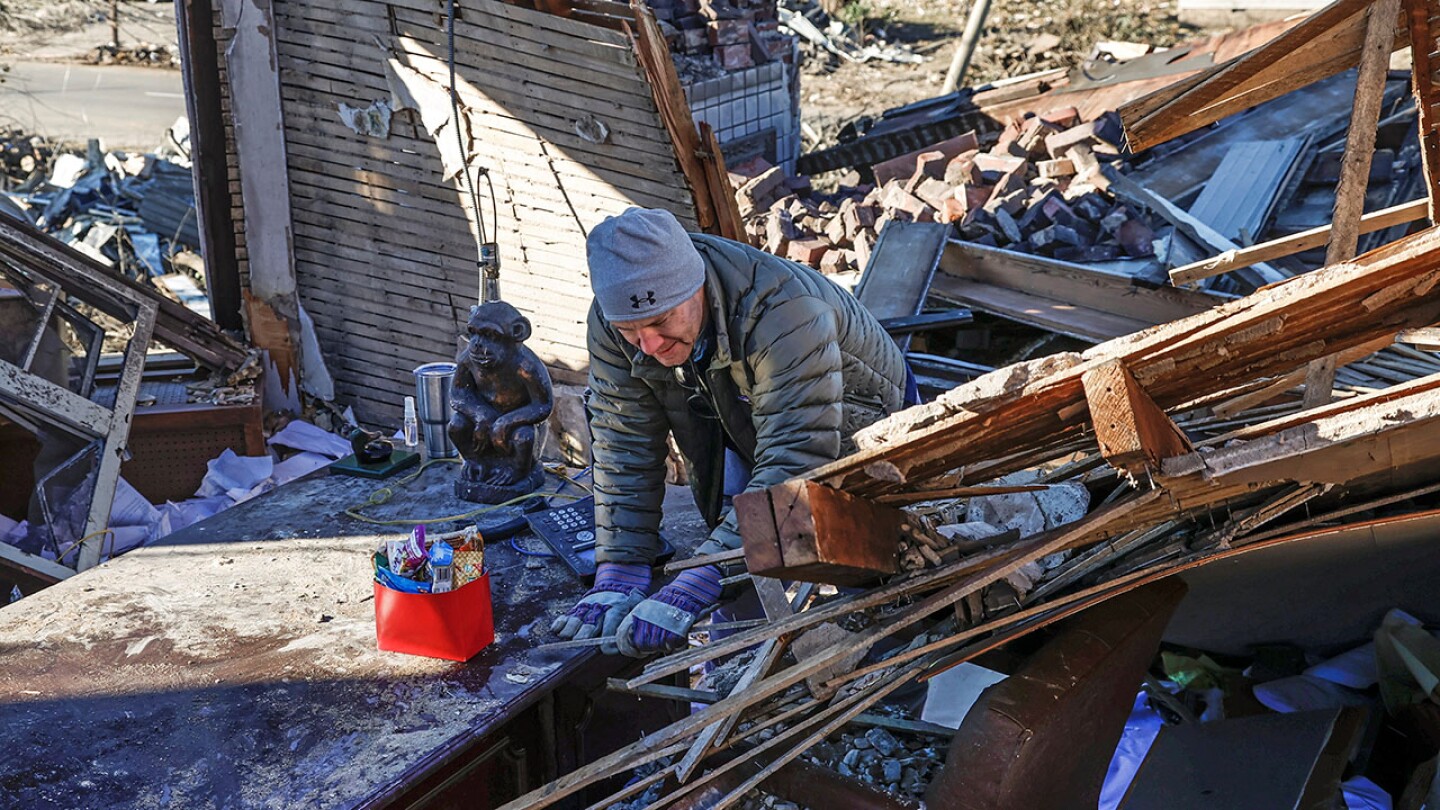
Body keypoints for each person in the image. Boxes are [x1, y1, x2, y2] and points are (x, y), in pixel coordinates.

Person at [550, 207, 916, 656]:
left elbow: (796, 460)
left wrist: (704, 575)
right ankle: (740, 675)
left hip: (857, 424)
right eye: (630, 331)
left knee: (870, 571)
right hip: (739, 407)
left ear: (697, 287)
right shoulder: (615, 318)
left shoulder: (784, 312)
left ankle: (888, 698)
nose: (649, 346)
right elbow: (622, 440)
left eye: (662, 321)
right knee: (743, 556)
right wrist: (621, 565)